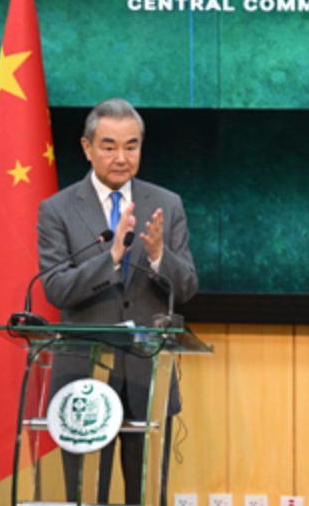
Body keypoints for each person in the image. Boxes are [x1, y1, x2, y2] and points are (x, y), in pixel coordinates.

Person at [38, 98, 198, 505]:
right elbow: (55, 288)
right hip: (82, 377)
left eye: (132, 146)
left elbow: (189, 286)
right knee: (84, 494)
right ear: (87, 147)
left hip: (146, 375)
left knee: (144, 495)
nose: (121, 158)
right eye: (109, 146)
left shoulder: (167, 204)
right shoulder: (56, 210)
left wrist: (161, 256)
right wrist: (109, 261)